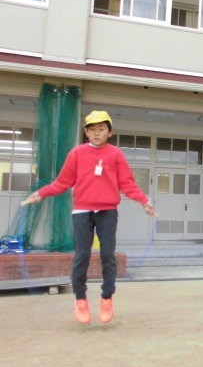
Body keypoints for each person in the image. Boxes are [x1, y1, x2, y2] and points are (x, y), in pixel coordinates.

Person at [24, 110, 155, 324]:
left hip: (107, 212)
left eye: (101, 129)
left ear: (109, 132)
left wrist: (144, 200)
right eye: (92, 129)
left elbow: (127, 184)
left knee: (108, 256)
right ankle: (80, 299)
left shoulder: (115, 155)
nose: (96, 133)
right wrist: (42, 193)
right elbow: (63, 182)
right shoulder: (77, 153)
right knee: (82, 256)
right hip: (82, 212)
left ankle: (107, 298)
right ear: (86, 132)